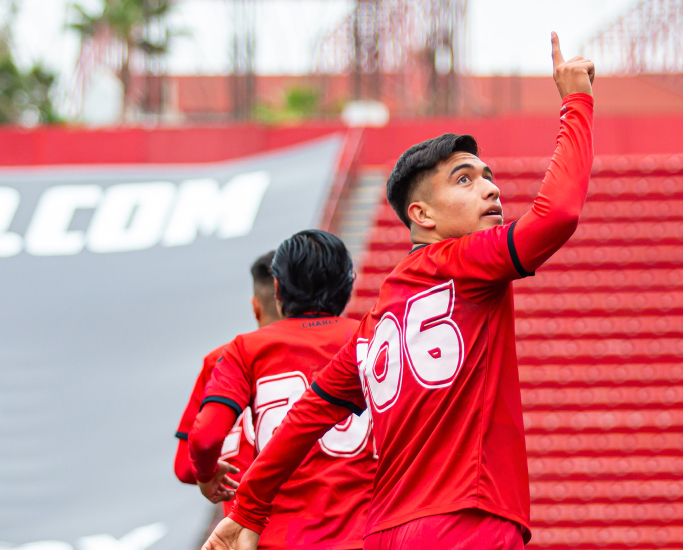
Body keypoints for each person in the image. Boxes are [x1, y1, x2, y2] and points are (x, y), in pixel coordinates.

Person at [203, 32, 594, 550]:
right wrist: (577, 103)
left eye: (487, 176)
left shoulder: (378, 319)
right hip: (466, 521)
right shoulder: (468, 261)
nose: (491, 187)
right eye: (464, 179)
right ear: (422, 215)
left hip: (385, 534)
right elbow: (558, 213)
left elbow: (304, 418)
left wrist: (249, 508)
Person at [190, 230, 375, 550]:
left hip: (275, 537)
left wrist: (207, 475)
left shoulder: (246, 348)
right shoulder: (374, 339)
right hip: (365, 534)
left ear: (278, 288)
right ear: (348, 286)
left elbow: (206, 436)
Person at [173, 251, 281, 517]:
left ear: (256, 307)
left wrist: (209, 474)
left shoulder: (220, 359)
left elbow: (185, 467)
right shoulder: (336, 351)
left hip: (246, 532)